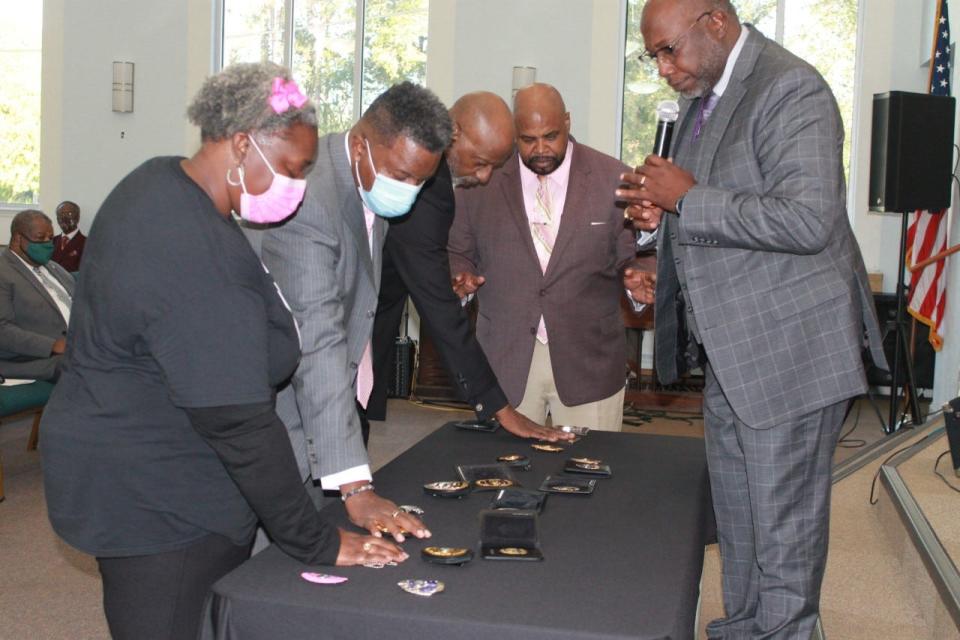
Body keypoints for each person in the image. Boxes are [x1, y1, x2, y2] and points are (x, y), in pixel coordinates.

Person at [41, 62, 406, 640]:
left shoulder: (160, 181)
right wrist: (314, 538)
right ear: (241, 145)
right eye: (292, 168)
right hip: (161, 504)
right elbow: (240, 424)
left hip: (146, 470)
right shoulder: (190, 250)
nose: (298, 184)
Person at [622, 2, 888, 637]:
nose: (662, 69)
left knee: (784, 539)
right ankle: (743, 630)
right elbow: (713, 220)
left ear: (715, 21)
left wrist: (684, 197)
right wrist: (664, 234)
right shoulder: (700, 100)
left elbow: (806, 219)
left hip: (788, 351)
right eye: (651, 55)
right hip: (731, 354)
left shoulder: (791, 87)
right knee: (740, 531)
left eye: (668, 50)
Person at [259, 82, 447, 542]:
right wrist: (356, 484)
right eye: (402, 176)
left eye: (422, 182)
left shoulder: (366, 179)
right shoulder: (308, 198)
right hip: (272, 415)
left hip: (318, 412)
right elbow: (316, 340)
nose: (410, 191)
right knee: (257, 562)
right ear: (361, 145)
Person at [367, 91, 571, 442]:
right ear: (454, 134)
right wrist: (498, 406)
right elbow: (438, 307)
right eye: (479, 162)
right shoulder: (429, 188)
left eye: (494, 165)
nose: (485, 176)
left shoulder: (439, 183)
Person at [448, 83, 636, 431]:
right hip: (505, 362)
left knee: (590, 475)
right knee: (504, 478)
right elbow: (458, 252)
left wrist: (640, 276)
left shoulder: (613, 179)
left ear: (567, 122)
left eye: (550, 136)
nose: (540, 149)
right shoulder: (480, 181)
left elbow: (636, 255)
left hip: (589, 361)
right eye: (527, 139)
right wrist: (460, 277)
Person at [0, 210, 74, 382]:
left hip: (78, 346)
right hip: (33, 358)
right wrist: (53, 345)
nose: (48, 244)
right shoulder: (3, 272)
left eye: (50, 238)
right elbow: (2, 329)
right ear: (18, 239)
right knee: (91, 367)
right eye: (40, 238)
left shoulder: (55, 268)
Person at [52, 200, 86, 272]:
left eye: (69, 214)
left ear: (78, 217)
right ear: (57, 219)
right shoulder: (51, 242)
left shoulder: (87, 244)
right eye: (61, 214)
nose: (64, 218)